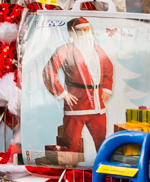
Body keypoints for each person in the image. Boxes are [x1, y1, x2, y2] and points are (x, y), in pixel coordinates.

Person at [43, 16, 114, 159]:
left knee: (103, 143)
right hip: (76, 105)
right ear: (72, 33)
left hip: (97, 105)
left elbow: (108, 67)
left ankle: (104, 169)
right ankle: (70, 173)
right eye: (80, 31)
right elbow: (49, 71)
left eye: (87, 30)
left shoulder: (98, 50)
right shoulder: (65, 50)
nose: (84, 34)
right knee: (71, 145)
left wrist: (106, 88)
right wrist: (63, 94)